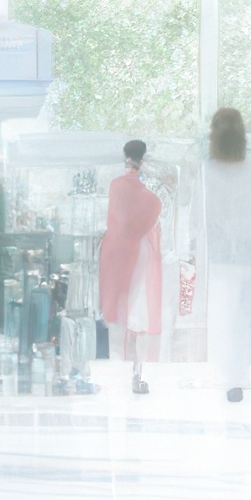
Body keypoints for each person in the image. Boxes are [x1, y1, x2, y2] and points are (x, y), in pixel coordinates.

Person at [202, 106, 251, 398]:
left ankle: (229, 377)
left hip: (221, 257)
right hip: (248, 256)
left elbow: (210, 217)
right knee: (241, 318)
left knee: (224, 319)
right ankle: (239, 375)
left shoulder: (208, 172)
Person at [97, 139, 163, 389]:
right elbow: (151, 211)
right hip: (138, 254)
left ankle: (122, 374)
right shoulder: (150, 198)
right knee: (137, 315)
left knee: (118, 315)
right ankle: (136, 374)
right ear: (144, 159)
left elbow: (115, 223)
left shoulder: (116, 187)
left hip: (116, 255)